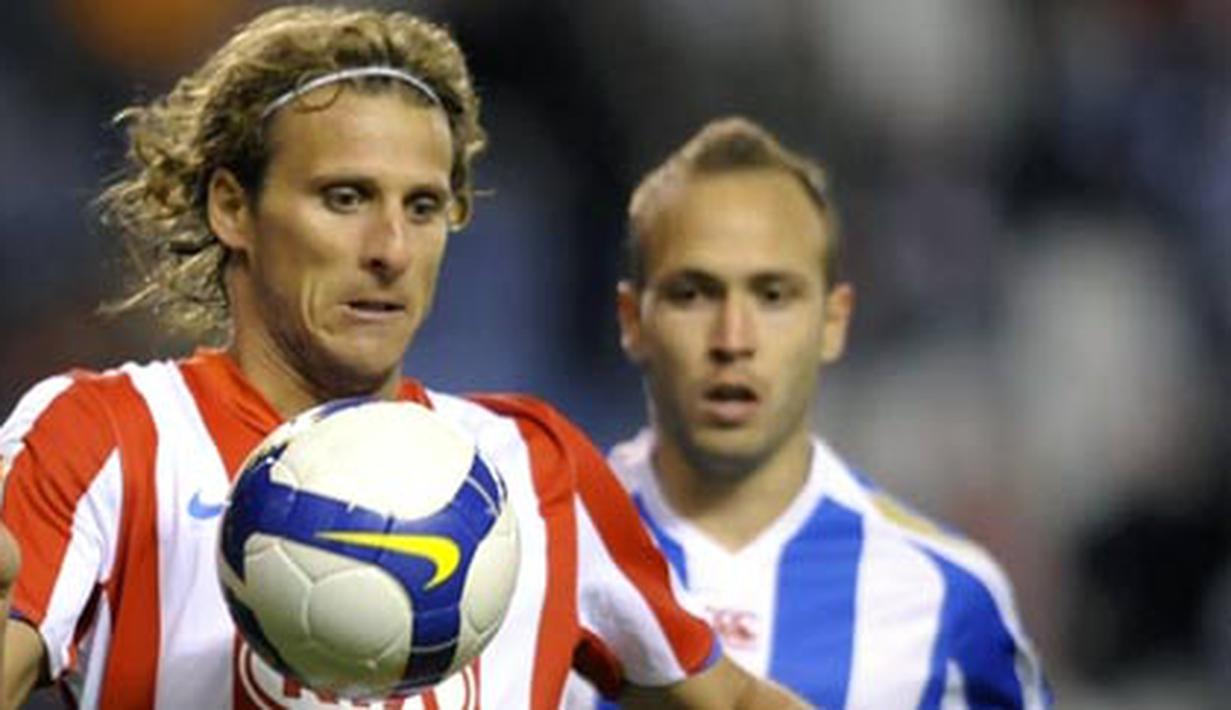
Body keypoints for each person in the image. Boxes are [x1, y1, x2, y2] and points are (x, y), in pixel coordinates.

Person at [0, 7, 807, 708]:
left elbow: (725, 695)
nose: (389, 249)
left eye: (422, 207)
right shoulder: (105, 439)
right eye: (344, 198)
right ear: (232, 207)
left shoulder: (533, 465)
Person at [567, 117, 1052, 708]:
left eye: (772, 295)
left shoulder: (947, 598)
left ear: (833, 322)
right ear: (632, 320)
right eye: (693, 293)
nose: (733, 338)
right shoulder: (536, 561)